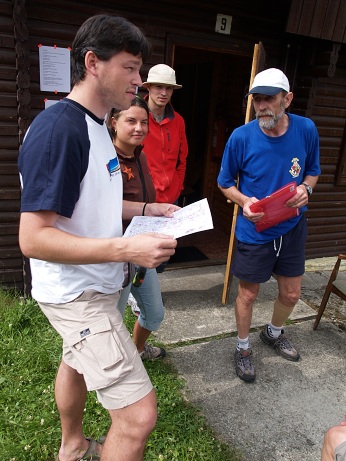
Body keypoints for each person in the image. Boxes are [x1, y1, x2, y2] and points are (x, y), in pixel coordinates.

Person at [18, 14, 178, 461]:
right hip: (77, 293)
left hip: (96, 283)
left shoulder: (96, 126)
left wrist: (148, 210)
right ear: (93, 62)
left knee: (76, 360)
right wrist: (128, 248)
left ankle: (71, 447)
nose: (139, 81)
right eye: (130, 67)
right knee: (139, 415)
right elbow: (33, 238)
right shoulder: (61, 131)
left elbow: (94, 205)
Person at [217, 68, 321, 383]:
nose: (262, 106)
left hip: (291, 227)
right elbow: (224, 183)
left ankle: (273, 333)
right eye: (257, 99)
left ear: (287, 99)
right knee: (248, 295)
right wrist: (243, 201)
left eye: (269, 99)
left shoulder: (306, 129)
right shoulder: (241, 136)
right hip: (254, 230)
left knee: (291, 294)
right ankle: (243, 347)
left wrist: (307, 189)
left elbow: (313, 170)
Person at [107, 96, 177, 360]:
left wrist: (161, 212)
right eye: (131, 121)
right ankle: (113, 366)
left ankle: (137, 350)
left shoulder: (140, 155)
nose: (139, 128)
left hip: (144, 252)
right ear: (114, 122)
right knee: (112, 320)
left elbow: (146, 200)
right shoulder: (106, 159)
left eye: (144, 122)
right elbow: (105, 205)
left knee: (155, 313)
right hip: (119, 255)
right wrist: (150, 209)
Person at [142, 64, 188, 205]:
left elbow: (182, 158)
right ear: (148, 87)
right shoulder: (136, 117)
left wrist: (178, 187)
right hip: (144, 198)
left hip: (171, 198)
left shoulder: (178, 120)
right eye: (158, 87)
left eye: (168, 88)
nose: (164, 93)